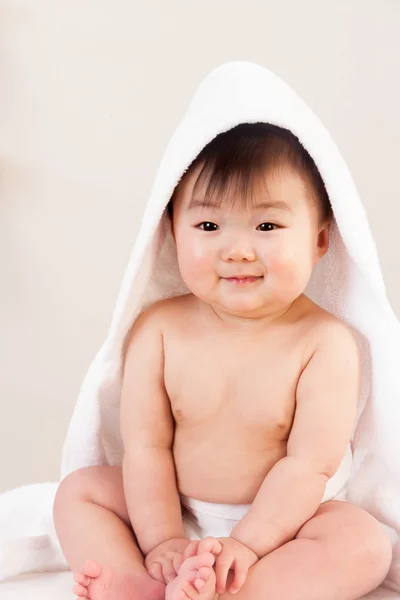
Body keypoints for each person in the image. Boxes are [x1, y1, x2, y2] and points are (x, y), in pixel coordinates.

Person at [53, 123, 392, 600]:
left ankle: (235, 592)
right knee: (80, 493)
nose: (237, 250)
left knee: (364, 544)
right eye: (209, 226)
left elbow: (308, 465)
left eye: (268, 226)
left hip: (283, 526)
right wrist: (163, 540)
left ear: (320, 241)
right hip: (172, 508)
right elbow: (145, 446)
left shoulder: (324, 343)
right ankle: (143, 584)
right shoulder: (160, 329)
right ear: (172, 231)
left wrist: (247, 545)